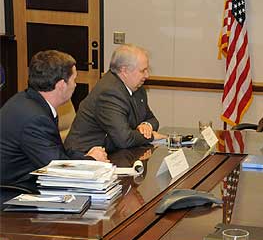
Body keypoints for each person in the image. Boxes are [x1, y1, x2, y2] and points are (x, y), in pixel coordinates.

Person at [0, 50, 108, 196]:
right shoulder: (35, 118)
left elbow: (56, 151)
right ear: (62, 85)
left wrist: (86, 157)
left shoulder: (28, 101)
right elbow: (56, 169)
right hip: (14, 196)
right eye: (74, 80)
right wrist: (91, 160)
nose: (75, 85)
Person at [65, 44, 164, 153]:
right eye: (142, 71)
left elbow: (152, 119)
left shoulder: (137, 88)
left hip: (113, 152)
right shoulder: (109, 92)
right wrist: (151, 136)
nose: (147, 75)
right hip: (85, 157)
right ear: (124, 71)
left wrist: (146, 125)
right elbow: (124, 139)